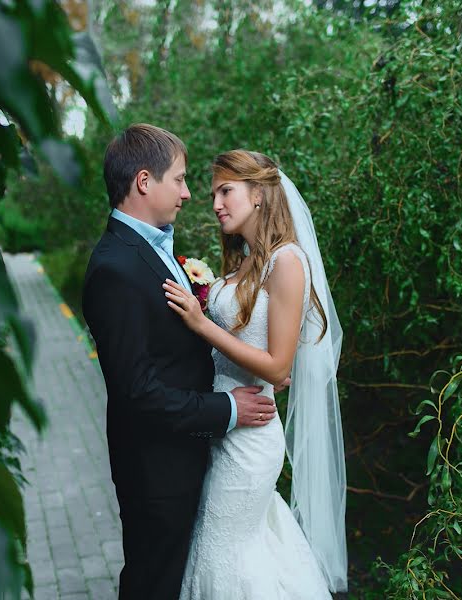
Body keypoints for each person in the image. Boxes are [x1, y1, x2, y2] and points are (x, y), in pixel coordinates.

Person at [81, 125, 279, 600]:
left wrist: (260, 364)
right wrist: (228, 410)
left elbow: (178, 349)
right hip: (156, 472)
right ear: (145, 182)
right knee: (154, 586)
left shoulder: (152, 250)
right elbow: (138, 391)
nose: (190, 195)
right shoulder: (115, 268)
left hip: (188, 458)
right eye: (181, 180)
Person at [163, 149, 348, 597]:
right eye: (213, 194)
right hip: (225, 425)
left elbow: (279, 365)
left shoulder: (287, 261)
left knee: (222, 553)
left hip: (250, 441)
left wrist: (202, 323)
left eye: (226, 191)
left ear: (260, 194)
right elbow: (255, 352)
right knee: (236, 551)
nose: (215, 204)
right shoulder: (246, 261)